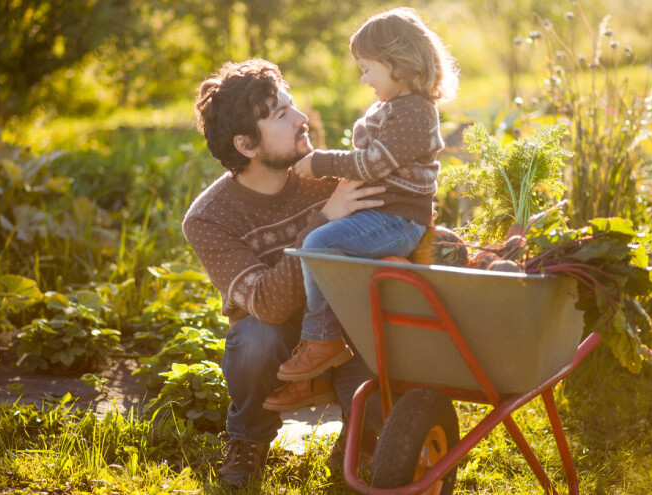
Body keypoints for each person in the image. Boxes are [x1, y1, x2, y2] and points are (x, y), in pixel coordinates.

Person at [183, 58, 383, 487]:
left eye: (293, 106)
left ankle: (360, 436)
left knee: (388, 333)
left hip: (343, 335)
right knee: (255, 338)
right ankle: (248, 438)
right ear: (247, 145)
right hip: (278, 347)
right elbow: (269, 306)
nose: (301, 119)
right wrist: (324, 221)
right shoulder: (208, 218)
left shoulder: (326, 173)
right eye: (281, 115)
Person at [277, 7, 460, 382]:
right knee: (326, 248)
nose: (364, 79)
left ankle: (322, 340)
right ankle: (340, 331)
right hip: (381, 215)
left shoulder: (415, 113)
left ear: (399, 63)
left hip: (398, 220)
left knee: (316, 245)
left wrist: (322, 162)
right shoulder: (394, 107)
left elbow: (375, 163)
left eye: (367, 68)